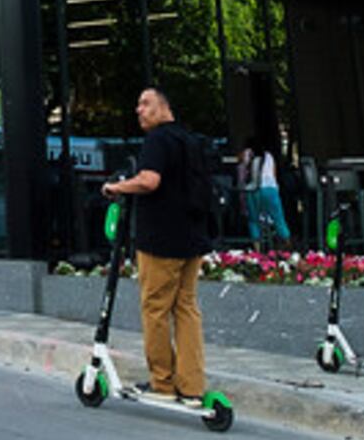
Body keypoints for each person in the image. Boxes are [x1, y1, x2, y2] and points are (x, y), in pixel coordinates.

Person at [102, 85, 213, 405]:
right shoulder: (191, 141)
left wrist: (116, 187)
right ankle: (192, 387)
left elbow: (150, 181)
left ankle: (162, 383)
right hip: (192, 239)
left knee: (155, 309)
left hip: (161, 241)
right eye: (138, 104)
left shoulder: (157, 140)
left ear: (164, 108)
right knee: (187, 309)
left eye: (146, 103)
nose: (139, 109)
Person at [238, 137, 289, 249]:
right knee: (278, 219)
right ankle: (287, 246)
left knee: (253, 221)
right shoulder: (269, 156)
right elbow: (274, 175)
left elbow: (241, 170)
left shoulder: (246, 154)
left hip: (252, 190)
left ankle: (257, 249)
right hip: (270, 189)